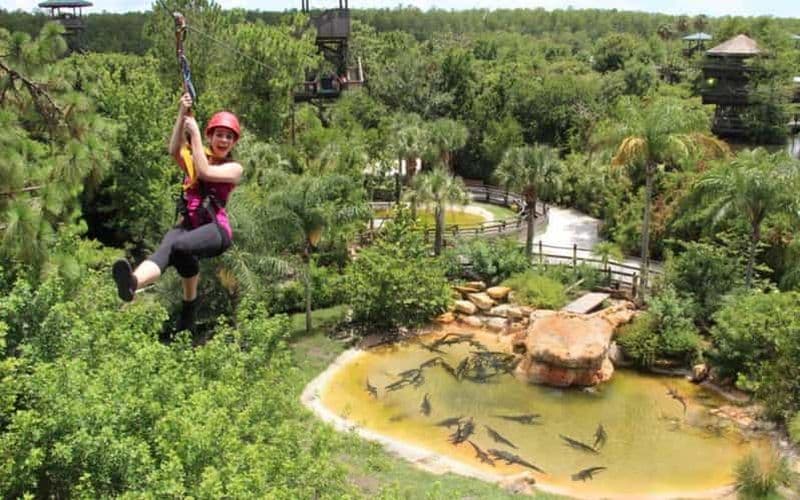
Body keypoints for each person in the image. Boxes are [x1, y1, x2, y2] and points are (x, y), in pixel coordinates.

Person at [112, 93, 243, 334]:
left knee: (181, 246)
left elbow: (204, 172)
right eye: (219, 134)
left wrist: (194, 135)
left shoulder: (234, 168)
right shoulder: (198, 154)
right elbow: (174, 149)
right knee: (167, 248)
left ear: (233, 143)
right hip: (189, 225)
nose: (223, 140)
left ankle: (190, 304)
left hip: (216, 230)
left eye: (228, 137)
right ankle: (132, 283)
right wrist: (182, 113)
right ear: (211, 137)